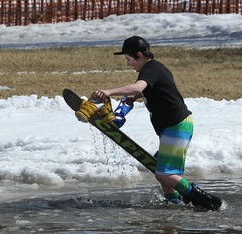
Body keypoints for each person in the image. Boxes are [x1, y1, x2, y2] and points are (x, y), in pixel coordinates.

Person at [87, 36, 222, 211]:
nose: (128, 64)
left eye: (128, 59)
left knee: (164, 173)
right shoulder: (155, 69)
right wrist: (134, 97)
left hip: (177, 125)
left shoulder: (151, 69)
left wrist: (108, 92)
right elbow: (152, 91)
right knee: (160, 170)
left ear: (139, 55)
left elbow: (138, 87)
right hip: (174, 126)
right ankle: (173, 201)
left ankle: (205, 200)